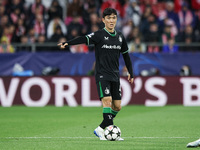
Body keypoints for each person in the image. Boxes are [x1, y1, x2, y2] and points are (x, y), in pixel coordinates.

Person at [58, 8, 134, 141]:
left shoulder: (120, 37)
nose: (111, 20)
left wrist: (130, 72)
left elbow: (126, 56)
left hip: (115, 75)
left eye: (114, 18)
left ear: (116, 20)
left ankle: (100, 129)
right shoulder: (99, 35)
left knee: (117, 106)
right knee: (107, 101)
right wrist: (67, 43)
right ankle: (110, 132)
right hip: (102, 74)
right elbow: (83, 38)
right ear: (103, 20)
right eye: (108, 18)